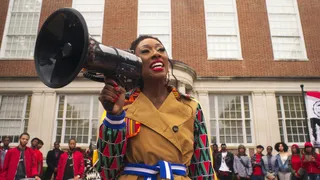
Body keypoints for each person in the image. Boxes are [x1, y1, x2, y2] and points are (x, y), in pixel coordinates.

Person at [95, 35, 215, 179]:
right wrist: (114, 116)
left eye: (161, 50)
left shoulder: (192, 107)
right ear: (134, 63)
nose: (156, 54)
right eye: (146, 51)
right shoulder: (122, 105)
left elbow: (203, 168)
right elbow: (107, 171)